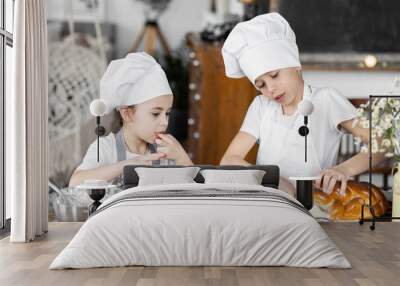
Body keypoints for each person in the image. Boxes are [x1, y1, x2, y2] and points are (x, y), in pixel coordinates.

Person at [220, 13, 385, 196]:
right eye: (261, 85)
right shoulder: (261, 106)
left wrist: (344, 170)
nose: (271, 88)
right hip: (271, 202)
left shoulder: (326, 99)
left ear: (295, 63)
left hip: (315, 207)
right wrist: (275, 179)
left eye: (275, 75)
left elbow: (379, 145)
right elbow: (229, 160)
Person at [69, 52, 192, 187]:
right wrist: (127, 165)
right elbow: (75, 183)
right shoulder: (105, 148)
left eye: (167, 113)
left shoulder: (166, 152)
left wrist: (182, 158)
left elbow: (198, 190)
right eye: (156, 114)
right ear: (127, 114)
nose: (165, 122)